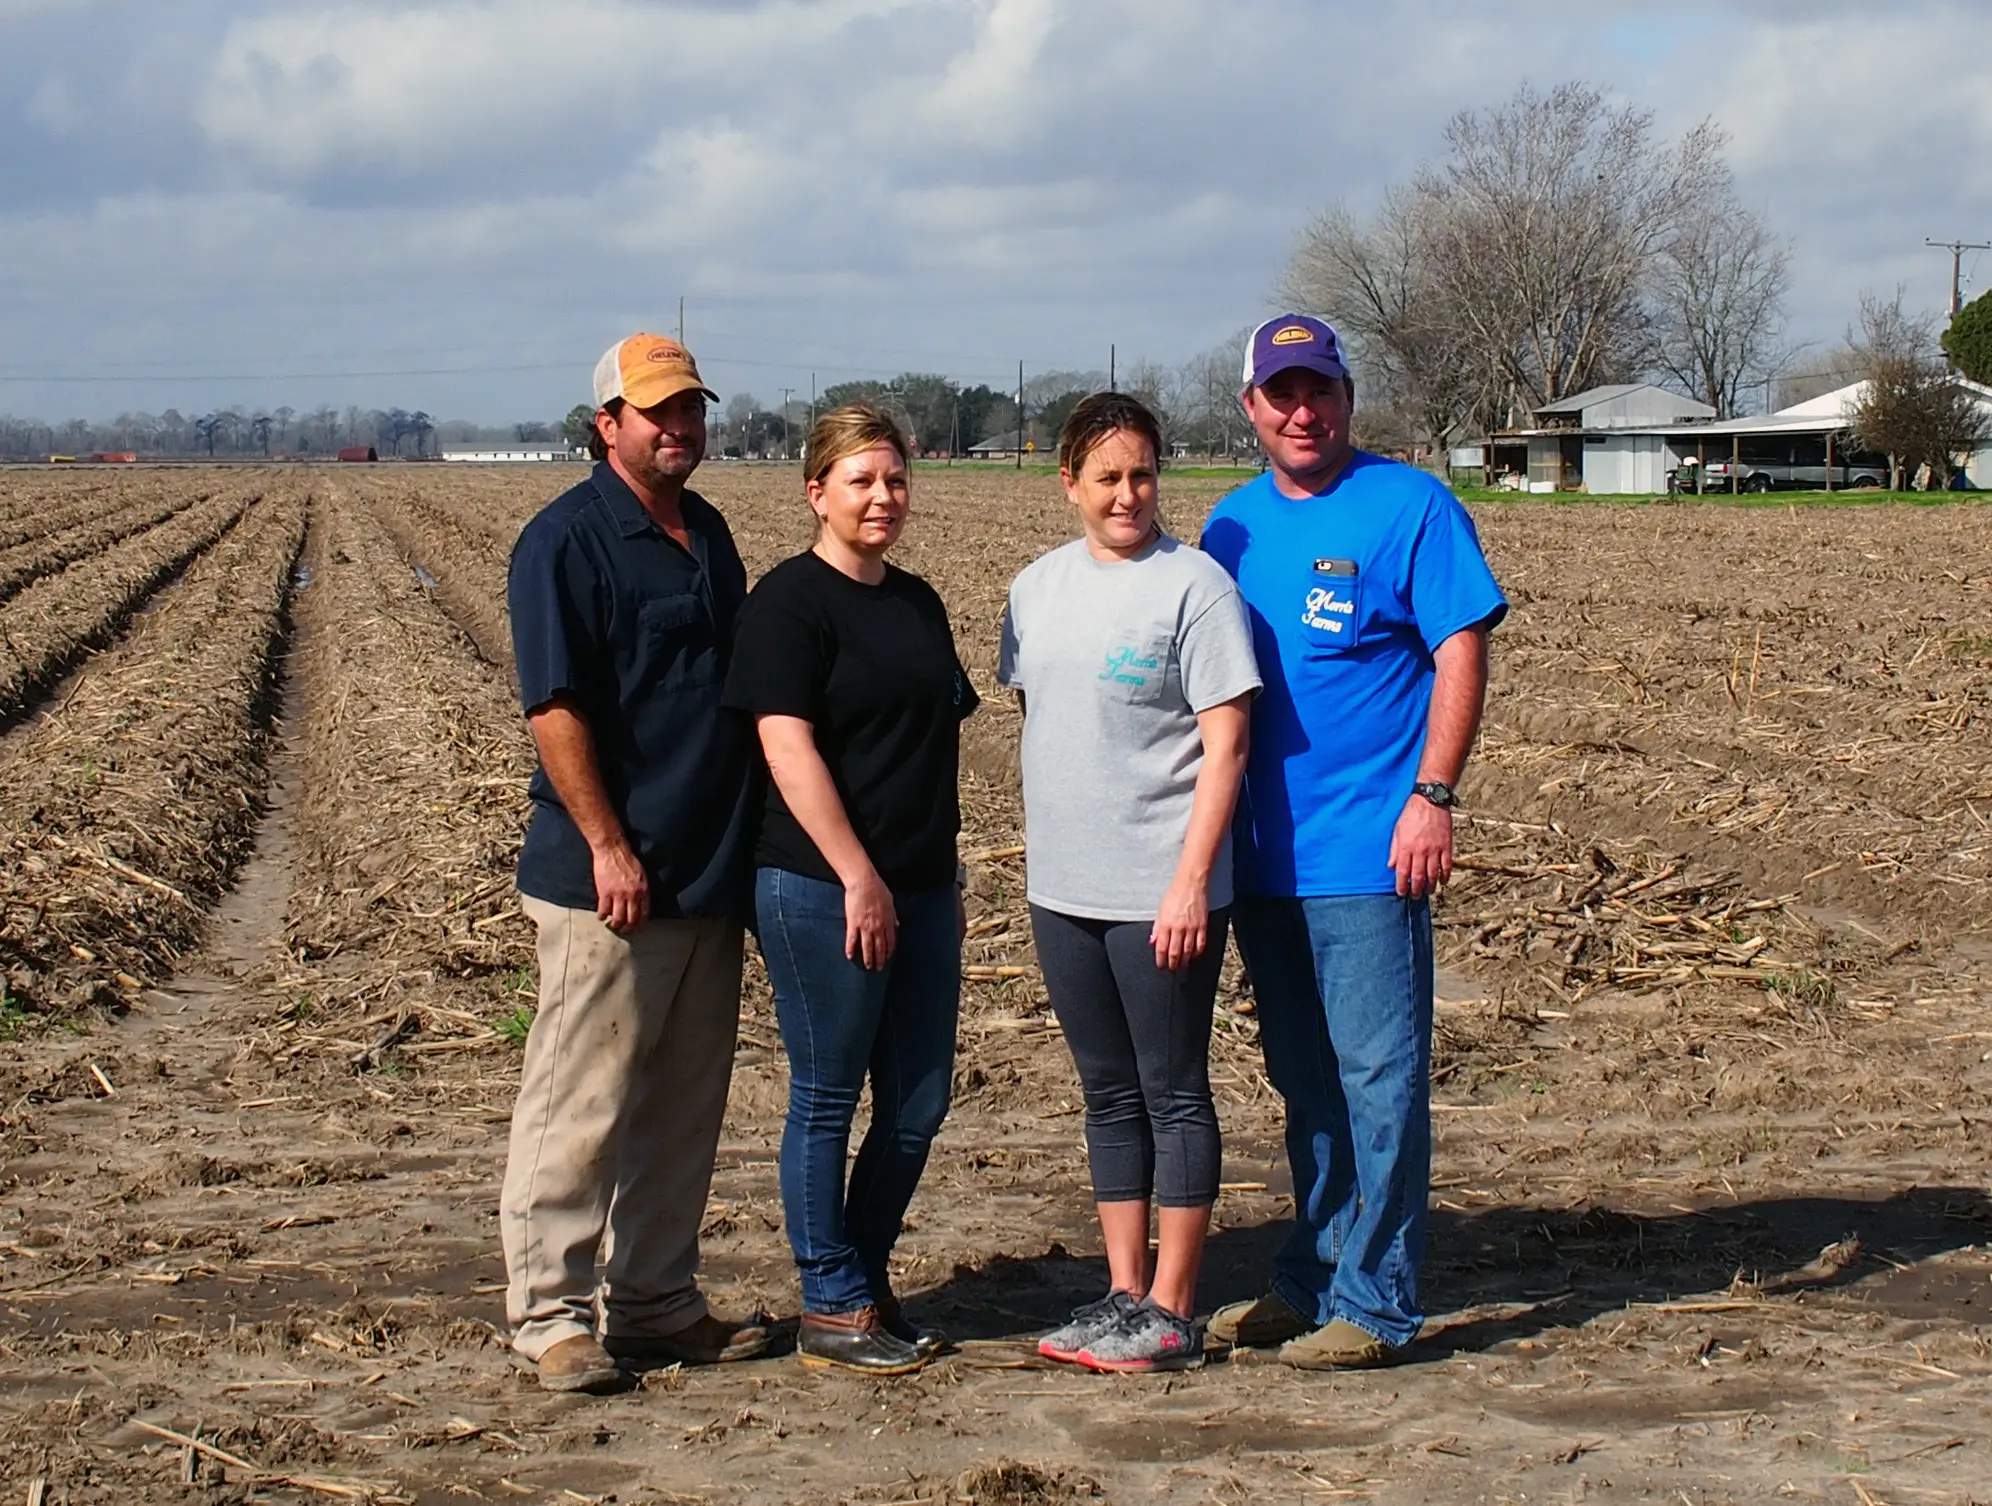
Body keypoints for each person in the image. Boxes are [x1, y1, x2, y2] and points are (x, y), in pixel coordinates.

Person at [1199, 314, 1507, 1370]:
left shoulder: (1410, 506)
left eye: (1317, 390)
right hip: (1263, 857)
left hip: (1370, 856)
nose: (1301, 411)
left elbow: (1459, 649)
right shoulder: (1228, 529)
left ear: (1346, 397)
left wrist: (1433, 793)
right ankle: (1314, 1275)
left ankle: (1376, 1303)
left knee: (1380, 1076)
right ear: (1250, 408)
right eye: (1280, 393)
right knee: (1304, 1080)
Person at [500, 333, 771, 1393]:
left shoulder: (705, 531)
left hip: (706, 873)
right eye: (657, 411)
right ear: (606, 424)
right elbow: (553, 706)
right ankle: (551, 1316)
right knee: (582, 1100)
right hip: (608, 879)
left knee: (682, 1105)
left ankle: (657, 1300)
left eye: (691, 408)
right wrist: (608, 843)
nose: (680, 427)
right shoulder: (565, 542)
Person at [998, 393, 1260, 1373]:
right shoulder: (1036, 589)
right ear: (1068, 482)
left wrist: (1191, 881)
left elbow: (1227, 747)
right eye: (1106, 477)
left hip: (1163, 888)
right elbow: (1043, 713)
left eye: (1142, 475)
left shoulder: (1195, 589)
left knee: (1173, 1091)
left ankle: (1175, 1307)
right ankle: (1122, 1291)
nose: (1127, 495)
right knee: (1107, 1095)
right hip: (1065, 889)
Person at [721, 403, 979, 1375]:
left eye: (895, 480)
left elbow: (931, 753)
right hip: (818, 887)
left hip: (917, 889)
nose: (882, 497)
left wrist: (939, 874)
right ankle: (828, 1298)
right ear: (816, 492)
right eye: (862, 480)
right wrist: (859, 875)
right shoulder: (788, 604)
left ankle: (862, 1287)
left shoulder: (917, 603)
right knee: (828, 1096)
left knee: (918, 1103)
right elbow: (787, 749)